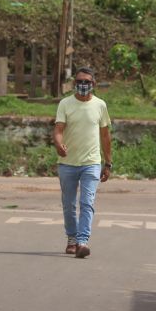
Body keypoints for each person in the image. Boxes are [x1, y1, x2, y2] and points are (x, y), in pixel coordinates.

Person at [53, 67, 112, 259]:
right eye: (79, 82)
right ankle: (71, 238)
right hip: (67, 163)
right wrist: (58, 144)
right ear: (74, 84)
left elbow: (105, 135)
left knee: (87, 202)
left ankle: (82, 241)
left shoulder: (100, 105)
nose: (83, 85)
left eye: (86, 81)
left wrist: (108, 163)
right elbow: (59, 129)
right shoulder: (65, 104)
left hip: (91, 163)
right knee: (69, 205)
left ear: (93, 84)